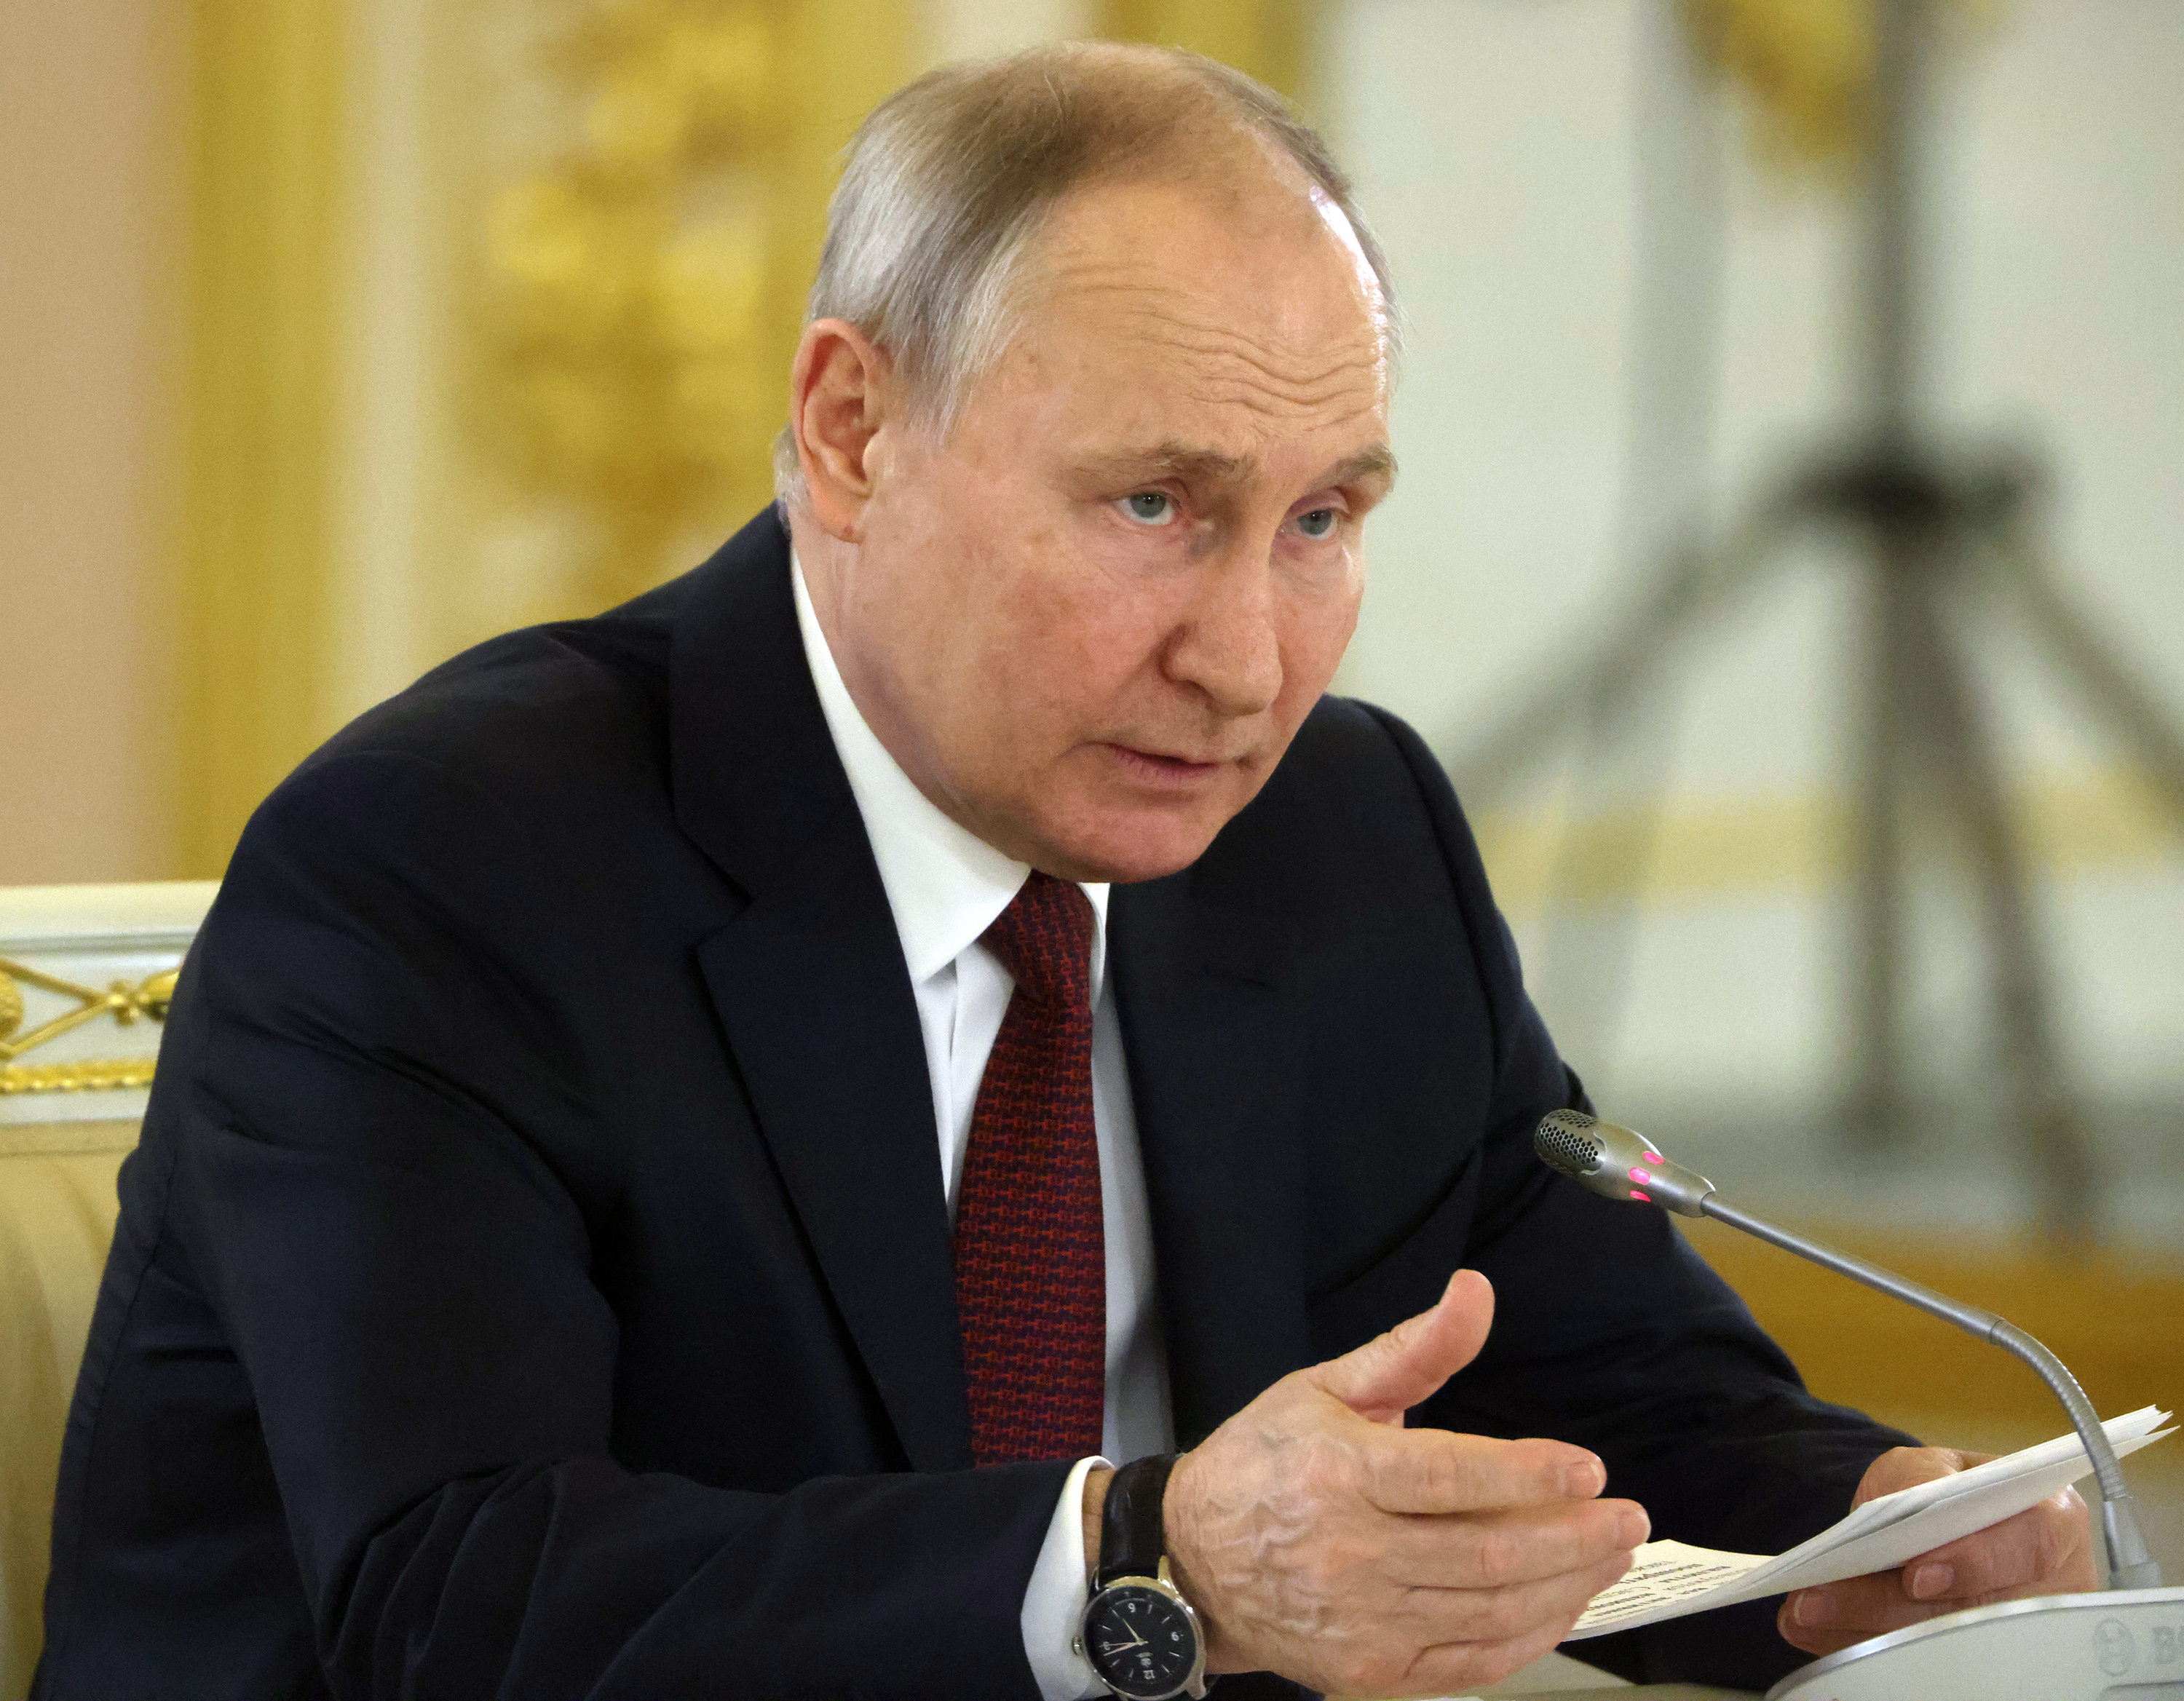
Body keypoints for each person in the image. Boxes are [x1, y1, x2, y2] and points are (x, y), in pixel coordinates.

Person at [36, 43, 2092, 1701]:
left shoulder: (1339, 839)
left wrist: (1868, 1538)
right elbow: (462, 1599)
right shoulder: (443, 868)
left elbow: (1602, 1390)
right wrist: (1148, 1557)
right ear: (851, 428)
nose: (1250, 657)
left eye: (1322, 519)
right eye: (1153, 503)